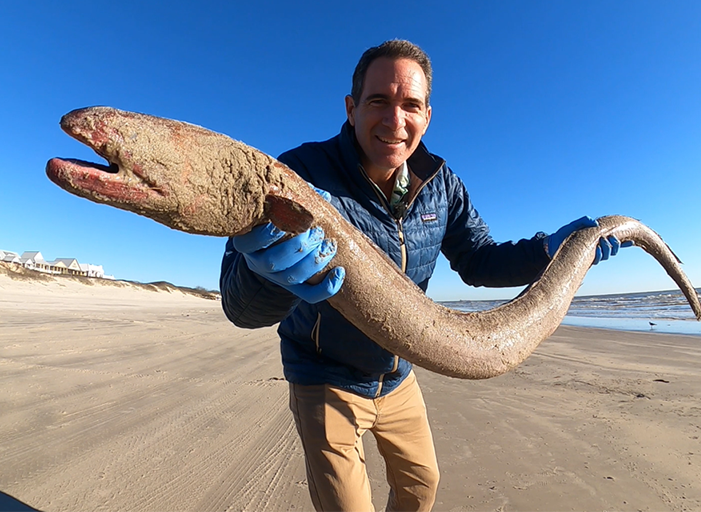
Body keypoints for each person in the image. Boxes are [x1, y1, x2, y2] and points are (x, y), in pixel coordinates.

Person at [219, 40, 627, 512]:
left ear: (427, 116)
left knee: (420, 489)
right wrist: (263, 273)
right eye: (379, 102)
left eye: (410, 105)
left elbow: (479, 260)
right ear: (351, 109)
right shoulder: (297, 174)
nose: (396, 121)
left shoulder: (441, 184)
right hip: (324, 376)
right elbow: (240, 308)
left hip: (397, 375)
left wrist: (546, 251)